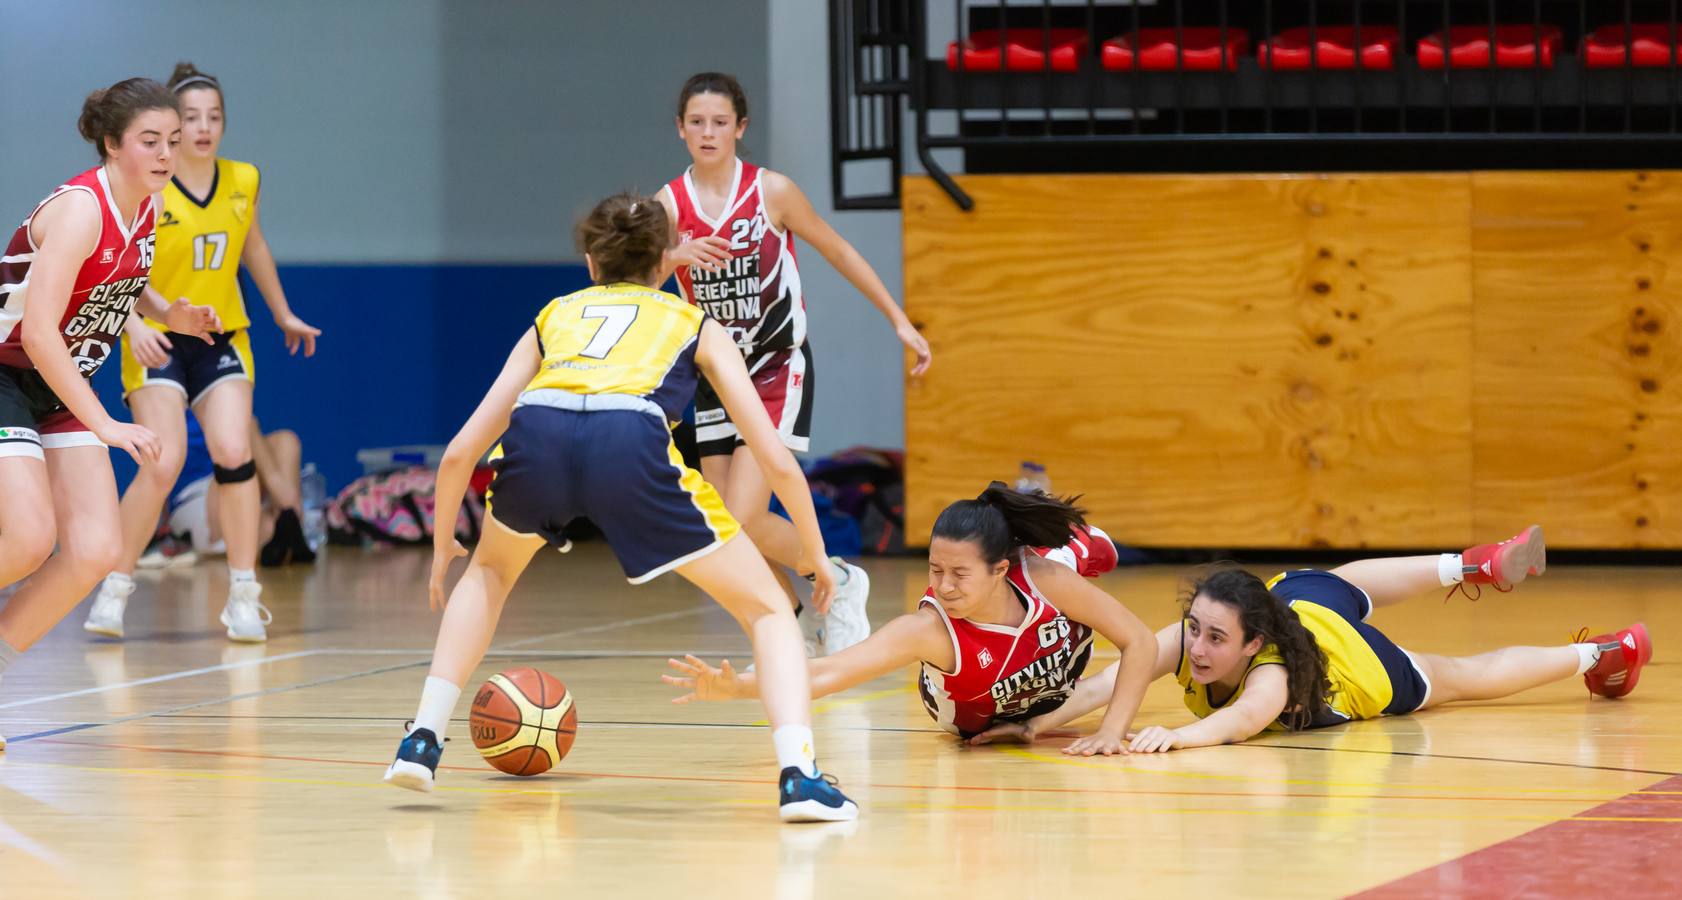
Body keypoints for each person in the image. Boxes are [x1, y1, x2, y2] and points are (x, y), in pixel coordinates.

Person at [383, 192, 857, 822]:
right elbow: (772, 455)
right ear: (667, 261)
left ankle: (421, 741)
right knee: (769, 610)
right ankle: (800, 776)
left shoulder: (554, 314)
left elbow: (460, 452)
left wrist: (444, 546)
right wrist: (817, 555)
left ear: (590, 263)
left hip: (540, 432)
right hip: (629, 441)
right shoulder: (693, 322)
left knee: (489, 574)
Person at [657, 72, 932, 657]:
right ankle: (796, 616)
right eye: (698, 122)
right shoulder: (668, 206)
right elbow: (635, 280)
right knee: (723, 528)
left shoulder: (771, 191)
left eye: (720, 122)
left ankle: (836, 579)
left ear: (741, 128)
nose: (709, 132)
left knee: (743, 517)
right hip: (715, 374)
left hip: (777, 366)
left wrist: (898, 320)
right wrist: (674, 254)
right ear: (680, 129)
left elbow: (838, 249)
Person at [981, 526, 1655, 752]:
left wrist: (1170, 737)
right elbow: (1105, 681)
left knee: (1465, 675)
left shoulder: (1270, 678)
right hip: (1295, 600)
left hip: (1362, 666)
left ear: (1252, 644)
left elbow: (1237, 723)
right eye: (1196, 629)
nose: (1199, 646)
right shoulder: (1216, 631)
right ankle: (1467, 563)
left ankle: (1604, 653)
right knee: (1334, 581)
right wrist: (1036, 723)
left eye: (1217, 638)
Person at [0, 78, 219, 751]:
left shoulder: (145, 208)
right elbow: (38, 332)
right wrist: (104, 422)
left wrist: (168, 312)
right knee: (32, 538)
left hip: (59, 384)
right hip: (9, 374)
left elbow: (118, 285)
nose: (165, 154)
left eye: (173, 142)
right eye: (150, 141)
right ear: (111, 143)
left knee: (96, 551)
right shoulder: (79, 210)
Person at [85, 62, 321, 643]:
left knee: (235, 449)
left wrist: (282, 311)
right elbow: (115, 267)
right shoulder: (145, 187)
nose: (202, 127)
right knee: (160, 462)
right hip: (158, 338)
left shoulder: (243, 180)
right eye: (190, 117)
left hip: (223, 335)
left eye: (214, 116)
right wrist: (133, 323)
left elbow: (254, 245)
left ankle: (244, 592)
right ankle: (114, 587)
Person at [663, 485, 1159, 755]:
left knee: (1083, 558)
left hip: (1060, 661)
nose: (944, 586)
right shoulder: (928, 630)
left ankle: (1077, 539)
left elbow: (1139, 640)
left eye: (960, 573)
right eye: (935, 570)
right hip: (980, 715)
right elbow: (828, 671)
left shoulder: (1044, 578)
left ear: (1001, 569)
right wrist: (741, 687)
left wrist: (1113, 731)